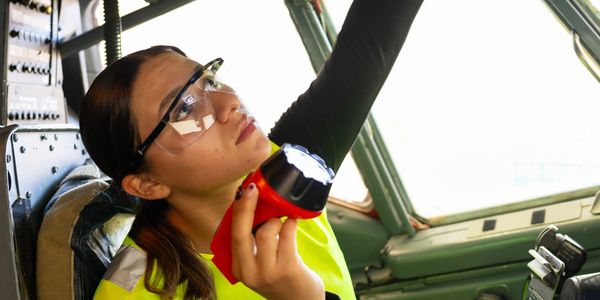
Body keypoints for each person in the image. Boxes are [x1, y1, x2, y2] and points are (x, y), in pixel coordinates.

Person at [79, 0, 422, 298]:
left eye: (209, 81)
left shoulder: (288, 167)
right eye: (183, 110)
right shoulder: (130, 293)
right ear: (147, 184)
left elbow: (372, 40)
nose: (229, 101)